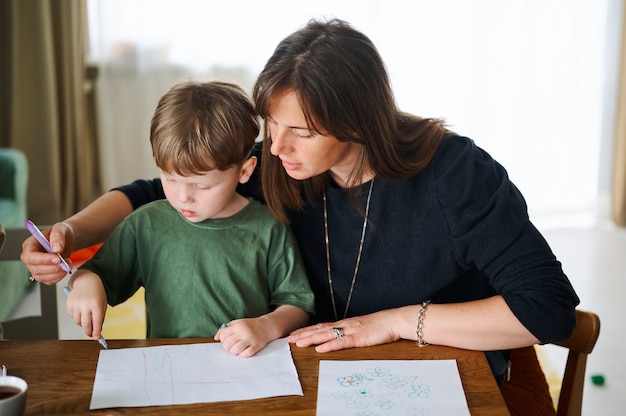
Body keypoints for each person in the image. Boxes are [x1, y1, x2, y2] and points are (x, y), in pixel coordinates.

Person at [22, 19, 578, 413]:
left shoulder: (457, 175)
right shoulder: (284, 165)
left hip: (452, 369)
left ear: (357, 123)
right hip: (328, 372)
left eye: (301, 131)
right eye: (271, 124)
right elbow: (154, 193)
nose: (276, 147)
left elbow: (546, 310)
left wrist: (390, 321)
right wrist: (70, 233)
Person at [64, 81, 315, 357]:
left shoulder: (269, 227)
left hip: (245, 370)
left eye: (201, 186)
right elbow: (97, 273)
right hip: (169, 370)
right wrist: (84, 282)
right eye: (170, 179)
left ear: (244, 171)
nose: (183, 197)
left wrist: (266, 326)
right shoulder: (145, 225)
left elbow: (297, 304)